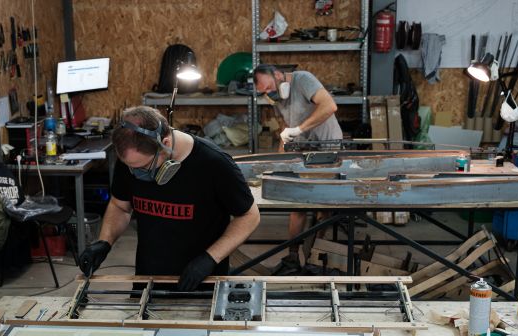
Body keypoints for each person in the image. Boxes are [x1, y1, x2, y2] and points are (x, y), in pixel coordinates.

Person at [79, 106, 260, 290]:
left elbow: (250, 216)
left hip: (201, 282)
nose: (135, 173)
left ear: (165, 143)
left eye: (144, 167)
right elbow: (120, 206)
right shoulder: (132, 160)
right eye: (131, 167)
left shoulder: (214, 163)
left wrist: (210, 258)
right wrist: (105, 241)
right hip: (148, 281)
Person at [253, 64, 343, 275]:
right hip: (304, 149)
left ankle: (315, 259)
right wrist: (278, 163)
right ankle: (293, 257)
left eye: (269, 87)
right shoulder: (277, 99)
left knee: (323, 206)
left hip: (327, 148)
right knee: (297, 204)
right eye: (263, 92)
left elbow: (330, 106)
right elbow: (285, 130)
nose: (268, 93)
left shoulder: (303, 79)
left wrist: (299, 129)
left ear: (278, 75)